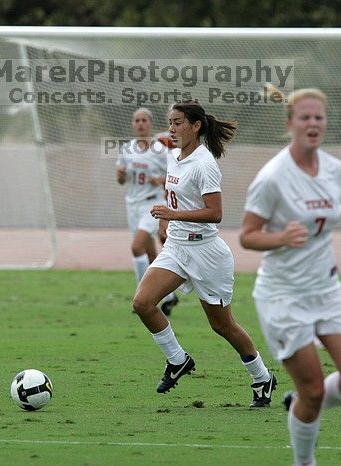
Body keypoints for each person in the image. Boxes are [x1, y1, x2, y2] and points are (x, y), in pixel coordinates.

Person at [239, 88, 341, 465]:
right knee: (313, 391)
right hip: (284, 297)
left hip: (327, 291)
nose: (313, 124)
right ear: (289, 124)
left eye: (319, 117)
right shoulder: (272, 177)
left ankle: (298, 404)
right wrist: (280, 238)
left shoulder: (335, 169)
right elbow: (247, 235)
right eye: (304, 117)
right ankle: (304, 461)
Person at [132, 100, 276, 407]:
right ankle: (178, 360)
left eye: (178, 122)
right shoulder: (174, 155)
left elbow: (215, 213)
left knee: (222, 325)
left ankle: (262, 378)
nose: (171, 128)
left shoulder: (204, 164)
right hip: (177, 247)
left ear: (195, 126)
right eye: (169, 122)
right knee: (143, 303)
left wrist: (172, 214)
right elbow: (175, 194)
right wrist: (166, 221)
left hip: (207, 253)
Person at [116, 108, 179, 315]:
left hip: (152, 204)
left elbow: (175, 175)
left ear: (150, 124)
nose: (140, 123)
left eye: (144, 120)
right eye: (137, 120)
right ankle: (169, 295)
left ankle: (142, 296)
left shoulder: (160, 150)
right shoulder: (127, 148)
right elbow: (121, 180)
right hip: (132, 204)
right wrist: (121, 175)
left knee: (136, 248)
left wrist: (160, 180)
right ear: (133, 124)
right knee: (151, 253)